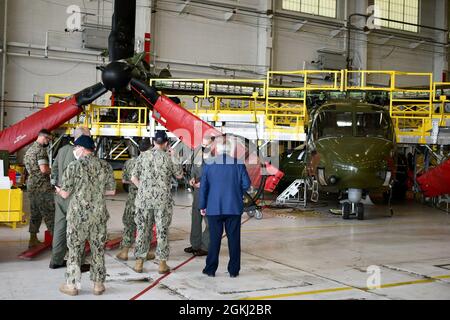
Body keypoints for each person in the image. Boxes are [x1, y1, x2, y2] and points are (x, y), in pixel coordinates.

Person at [56, 136, 116, 296]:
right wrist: (95, 192)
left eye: (76, 147)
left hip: (78, 217)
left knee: (75, 250)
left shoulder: (74, 166)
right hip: (98, 216)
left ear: (82, 148)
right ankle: (98, 285)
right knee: (98, 250)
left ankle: (72, 286)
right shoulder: (105, 166)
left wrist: (58, 189)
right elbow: (111, 191)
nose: (74, 150)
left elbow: (65, 193)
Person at [131, 130, 183, 274]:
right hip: (162, 201)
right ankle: (162, 264)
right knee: (162, 231)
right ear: (166, 143)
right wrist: (175, 157)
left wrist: (144, 189)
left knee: (142, 231)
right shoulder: (168, 158)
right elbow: (179, 175)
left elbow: (133, 178)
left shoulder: (143, 156)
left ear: (154, 142)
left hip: (143, 201)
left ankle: (139, 263)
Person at [199, 137, 251, 278]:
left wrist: (202, 205)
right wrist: (236, 192)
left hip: (214, 208)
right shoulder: (238, 164)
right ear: (230, 151)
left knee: (214, 240)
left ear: (217, 150)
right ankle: (234, 271)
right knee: (234, 240)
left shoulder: (209, 164)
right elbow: (247, 184)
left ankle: (210, 269)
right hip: (233, 208)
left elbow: (203, 188)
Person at [49, 127, 91, 270]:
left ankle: (56, 260)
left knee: (60, 228)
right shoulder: (82, 153)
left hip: (61, 195)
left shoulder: (62, 150)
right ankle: (78, 262)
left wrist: (57, 186)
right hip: (75, 197)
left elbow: (53, 170)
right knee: (78, 230)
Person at [116, 138, 152, 261]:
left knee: (129, 224)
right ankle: (142, 253)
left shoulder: (129, 162)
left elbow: (124, 180)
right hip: (145, 199)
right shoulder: (151, 163)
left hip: (132, 198)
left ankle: (125, 251)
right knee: (144, 226)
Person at [23, 129, 55, 248]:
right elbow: (44, 169)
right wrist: (55, 170)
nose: (49, 142)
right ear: (44, 137)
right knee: (50, 212)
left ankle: (33, 239)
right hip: (42, 186)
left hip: (31, 184)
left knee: (35, 212)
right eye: (49, 139)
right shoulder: (41, 151)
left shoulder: (30, 150)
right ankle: (57, 241)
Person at [184, 137, 214, 257]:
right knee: (196, 218)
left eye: (206, 143)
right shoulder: (198, 153)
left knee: (209, 220)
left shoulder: (215, 156)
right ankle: (195, 245)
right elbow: (194, 169)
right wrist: (191, 179)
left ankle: (206, 246)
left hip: (209, 192)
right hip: (197, 191)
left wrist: (205, 183)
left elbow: (217, 174)